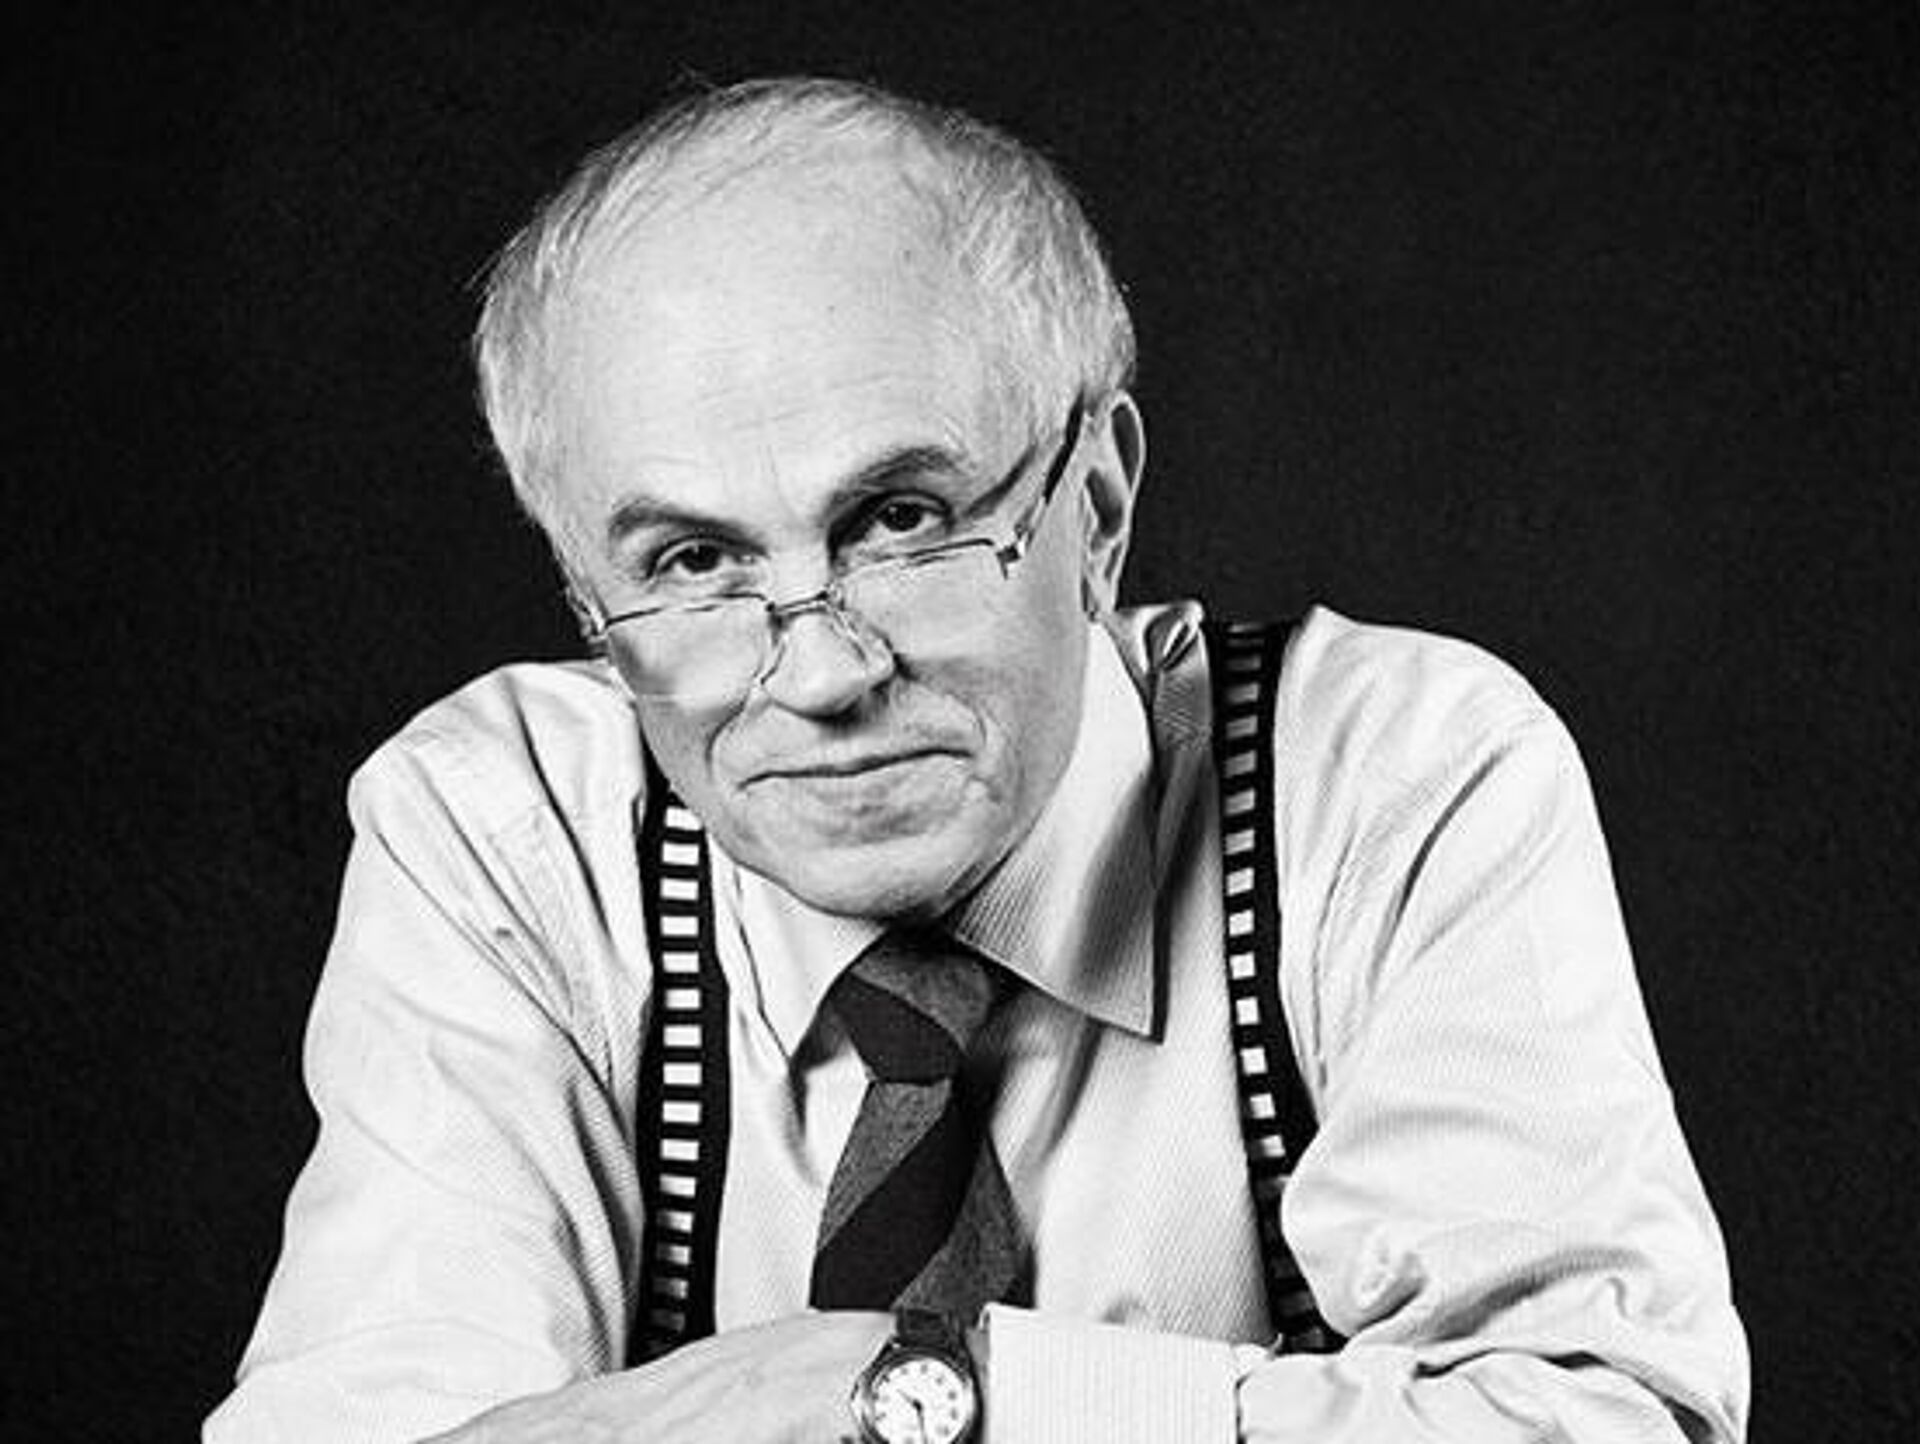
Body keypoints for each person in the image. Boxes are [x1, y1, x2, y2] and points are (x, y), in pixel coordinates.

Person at [206, 76, 1749, 1443]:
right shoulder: (511, 836)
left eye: (901, 522)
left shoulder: (1391, 782)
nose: (820, 674)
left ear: (1099, 508)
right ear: (586, 598)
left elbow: (1602, 1421)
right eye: (692, 563)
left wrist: (893, 1393)